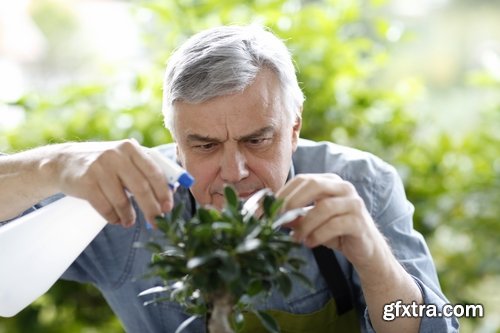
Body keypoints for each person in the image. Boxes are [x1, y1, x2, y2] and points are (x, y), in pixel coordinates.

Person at [0, 25, 458, 332]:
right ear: (175, 143)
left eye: (258, 140)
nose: (235, 172)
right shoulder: (131, 201)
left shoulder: (363, 182)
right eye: (204, 146)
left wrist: (373, 256)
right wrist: (52, 166)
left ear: (294, 127)